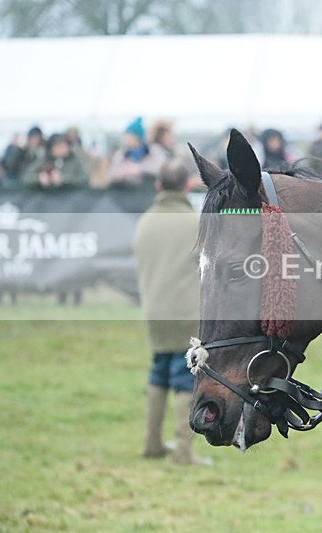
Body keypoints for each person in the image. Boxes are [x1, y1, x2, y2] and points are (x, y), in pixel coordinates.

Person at [132, 160, 209, 466]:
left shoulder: (145, 221)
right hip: (188, 312)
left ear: (158, 186)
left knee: (159, 373)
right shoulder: (195, 222)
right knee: (187, 377)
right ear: (187, 186)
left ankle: (151, 443)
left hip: (154, 310)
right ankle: (183, 451)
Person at [21, 132, 89, 188]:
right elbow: (25, 177)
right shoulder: (44, 160)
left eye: (64, 147)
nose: (62, 150)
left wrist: (64, 178)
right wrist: (39, 178)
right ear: (51, 148)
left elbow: (84, 178)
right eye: (58, 147)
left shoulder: (74, 160)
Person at [108, 117, 162, 187]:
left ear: (137, 137)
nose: (126, 138)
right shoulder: (121, 154)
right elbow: (111, 175)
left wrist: (139, 168)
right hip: (126, 191)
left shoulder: (153, 150)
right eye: (126, 135)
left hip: (148, 189)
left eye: (129, 135)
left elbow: (160, 168)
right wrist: (121, 173)